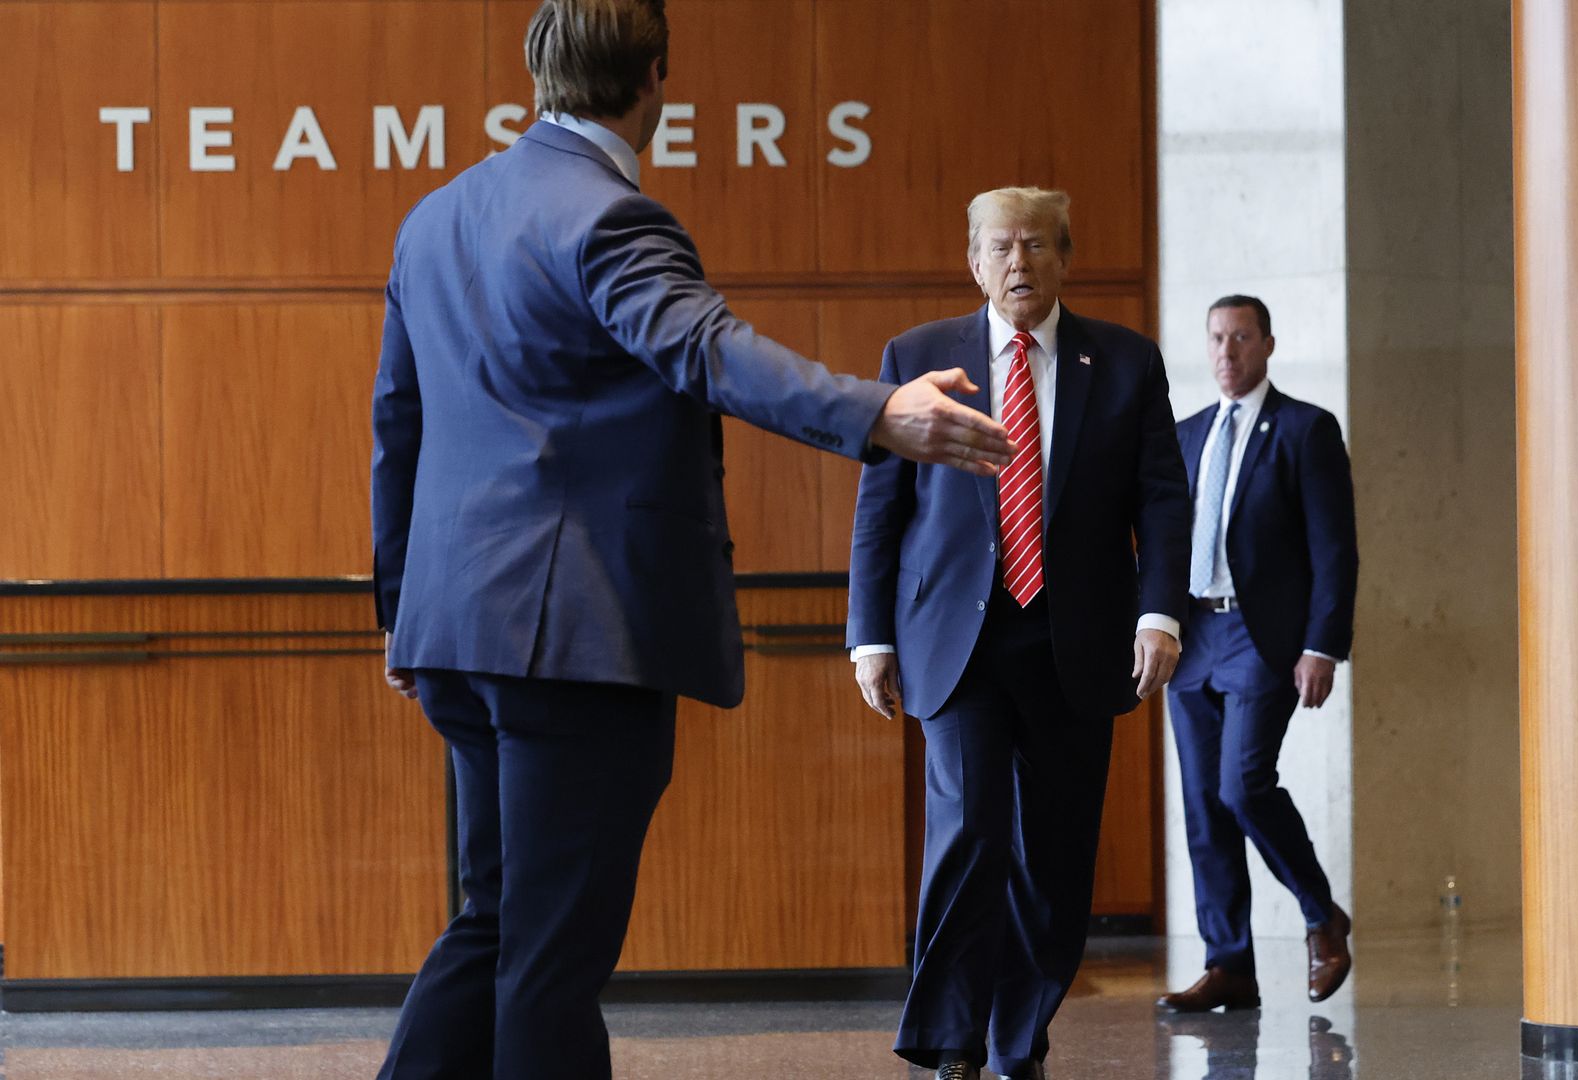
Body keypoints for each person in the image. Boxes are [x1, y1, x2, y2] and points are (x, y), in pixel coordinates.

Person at [369, 3, 1012, 1077]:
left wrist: (401, 609)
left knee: (498, 922)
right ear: (657, 75)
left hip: (455, 633)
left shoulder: (435, 217)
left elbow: (399, 423)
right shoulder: (611, 218)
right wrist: (877, 413)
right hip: (573, 641)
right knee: (551, 955)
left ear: (537, 71)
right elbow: (708, 349)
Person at [847, 187, 1190, 1080]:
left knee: (1059, 855)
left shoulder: (1124, 362)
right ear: (973, 259)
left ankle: (1017, 1039)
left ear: (1066, 257)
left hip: (1078, 639)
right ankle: (954, 1042)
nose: (1019, 264)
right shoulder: (920, 357)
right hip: (957, 641)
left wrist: (1160, 613)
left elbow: (1161, 498)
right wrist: (868, 636)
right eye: (1001, 246)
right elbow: (881, 509)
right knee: (970, 831)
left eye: (1037, 246)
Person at [1155, 294, 1360, 1012]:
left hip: (1262, 635)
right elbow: (1160, 544)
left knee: (1243, 785)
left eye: (1241, 337)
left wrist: (1322, 646)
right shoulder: (1185, 436)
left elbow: (1335, 549)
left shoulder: (1305, 430)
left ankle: (1319, 915)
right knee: (1205, 807)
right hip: (1193, 636)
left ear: (1267, 344)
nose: (1227, 351)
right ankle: (1230, 966)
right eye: (1216, 337)